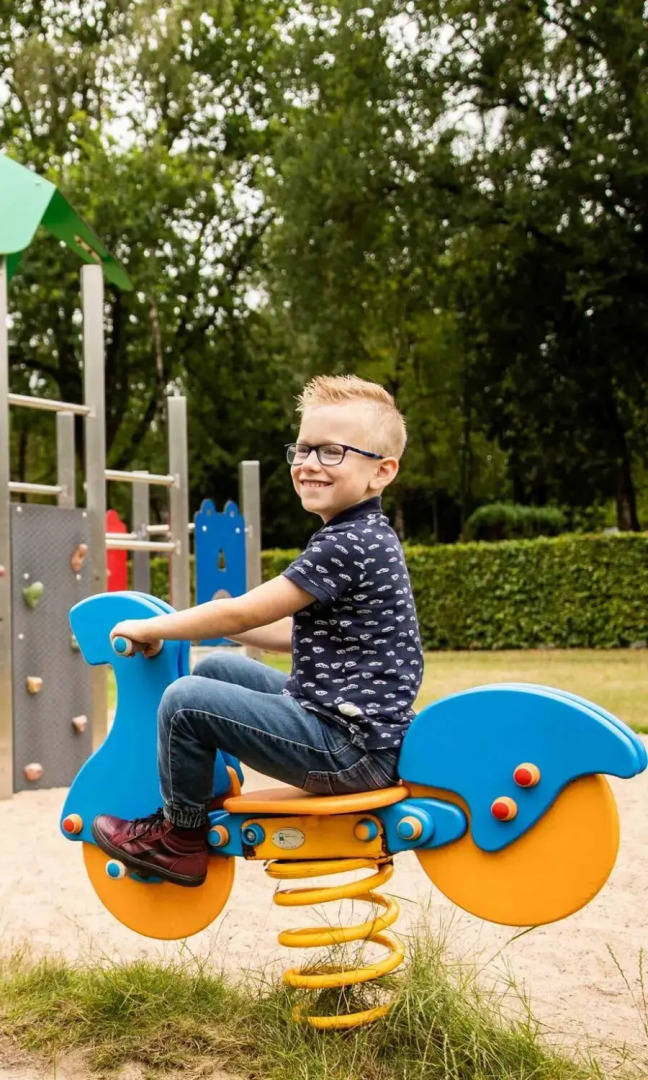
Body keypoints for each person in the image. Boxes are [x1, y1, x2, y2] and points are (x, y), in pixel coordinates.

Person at [93, 374, 423, 887]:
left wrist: (152, 626)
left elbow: (241, 615)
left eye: (333, 452)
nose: (310, 463)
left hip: (347, 751)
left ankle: (179, 840)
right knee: (223, 667)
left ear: (382, 471)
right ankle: (209, 784)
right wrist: (220, 630)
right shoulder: (365, 534)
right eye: (305, 448)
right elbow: (304, 635)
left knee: (186, 701)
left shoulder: (346, 543)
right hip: (359, 737)